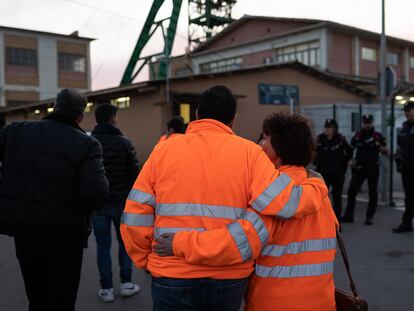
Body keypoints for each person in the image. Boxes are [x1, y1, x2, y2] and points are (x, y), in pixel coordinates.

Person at [120, 85, 328, 311]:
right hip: (229, 276)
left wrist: (146, 261)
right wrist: (316, 185)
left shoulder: (163, 150)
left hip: (171, 274)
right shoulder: (250, 153)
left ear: (197, 115)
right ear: (233, 120)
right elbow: (284, 203)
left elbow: (134, 216)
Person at [0, 89, 109, 311]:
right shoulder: (88, 145)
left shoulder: (17, 131)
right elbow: (95, 191)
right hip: (65, 237)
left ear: (54, 107)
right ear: (80, 116)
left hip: (26, 231)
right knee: (62, 299)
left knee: (36, 296)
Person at [91, 104, 141, 302]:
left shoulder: (90, 143)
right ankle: (127, 284)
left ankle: (107, 290)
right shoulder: (124, 143)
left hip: (99, 205)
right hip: (122, 203)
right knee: (124, 244)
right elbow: (135, 176)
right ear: (113, 119)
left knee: (103, 247)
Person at [342, 114, 388, 225]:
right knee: (352, 191)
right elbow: (351, 149)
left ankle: (369, 217)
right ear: (362, 123)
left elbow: (386, 151)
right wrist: (351, 160)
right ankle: (349, 216)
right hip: (360, 168)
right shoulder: (357, 136)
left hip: (372, 167)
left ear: (372, 123)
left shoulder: (378, 136)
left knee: (372, 193)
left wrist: (379, 146)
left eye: (369, 122)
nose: (367, 124)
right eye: (365, 122)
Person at [314, 119, 353, 221]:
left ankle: (336, 221)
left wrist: (345, 163)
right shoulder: (319, 139)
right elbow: (313, 152)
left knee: (337, 197)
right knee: (322, 197)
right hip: (323, 172)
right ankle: (321, 220)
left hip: (337, 173)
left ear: (334, 129)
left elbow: (349, 151)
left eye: (329, 127)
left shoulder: (340, 139)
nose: (327, 129)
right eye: (325, 127)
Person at [393, 101, 414, 233]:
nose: (407, 113)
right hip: (407, 168)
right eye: (406, 111)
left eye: (410, 110)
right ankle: (407, 223)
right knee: (409, 197)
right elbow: (400, 144)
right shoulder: (405, 126)